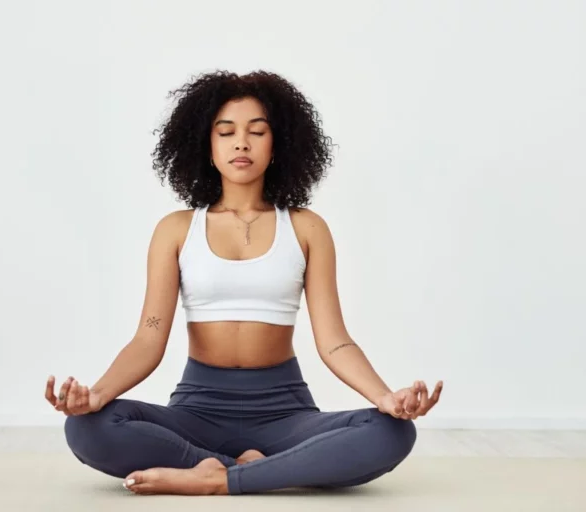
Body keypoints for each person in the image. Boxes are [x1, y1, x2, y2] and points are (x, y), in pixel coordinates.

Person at [44, 70, 443, 496]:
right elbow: (148, 338)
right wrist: (97, 395)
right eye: (226, 132)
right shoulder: (176, 229)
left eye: (257, 131)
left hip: (285, 413)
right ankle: (258, 471)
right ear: (205, 144)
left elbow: (334, 341)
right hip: (197, 412)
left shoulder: (307, 228)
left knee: (392, 433)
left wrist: (385, 398)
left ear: (279, 144)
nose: (241, 143)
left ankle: (217, 479)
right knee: (87, 428)